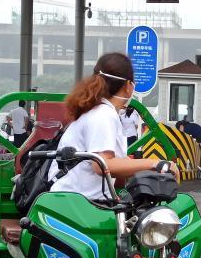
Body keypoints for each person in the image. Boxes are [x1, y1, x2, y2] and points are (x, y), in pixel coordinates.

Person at [49, 53, 176, 201]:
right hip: (74, 202)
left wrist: (154, 166)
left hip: (75, 198)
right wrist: (155, 163)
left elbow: (115, 162)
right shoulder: (103, 115)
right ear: (128, 86)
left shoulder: (99, 111)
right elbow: (101, 164)